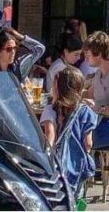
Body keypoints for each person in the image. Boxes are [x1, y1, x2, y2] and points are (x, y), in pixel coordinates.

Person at [40, 65, 97, 200]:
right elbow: (88, 143)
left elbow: (50, 137)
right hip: (78, 166)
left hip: (57, 167)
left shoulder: (50, 110)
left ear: (57, 88)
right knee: (75, 199)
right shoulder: (86, 111)